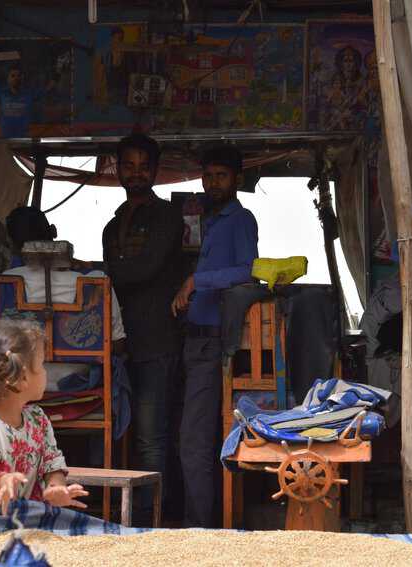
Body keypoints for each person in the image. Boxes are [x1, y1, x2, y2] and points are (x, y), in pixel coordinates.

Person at [172, 144, 258, 528]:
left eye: (221, 175)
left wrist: (197, 280)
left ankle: (199, 531)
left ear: (236, 179)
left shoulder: (240, 219)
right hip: (193, 339)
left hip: (213, 343)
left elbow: (248, 270)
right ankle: (197, 521)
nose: (213, 183)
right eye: (208, 176)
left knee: (194, 440)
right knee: (192, 437)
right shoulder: (206, 218)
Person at [102, 134, 184, 522]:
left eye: (142, 166)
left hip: (156, 341)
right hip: (121, 345)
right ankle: (129, 517)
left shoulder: (167, 217)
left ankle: (158, 523)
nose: (135, 173)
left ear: (154, 171)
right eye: (128, 166)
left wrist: (102, 275)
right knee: (123, 434)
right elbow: (119, 281)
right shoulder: (111, 225)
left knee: (152, 437)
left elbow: (146, 268)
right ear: (117, 168)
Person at [0, 319, 89, 514]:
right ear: (21, 378)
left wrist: (55, 488)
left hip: (24, 521)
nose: (45, 372)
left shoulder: (38, 420)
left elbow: (52, 466)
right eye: (41, 365)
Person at [3, 206, 126, 345]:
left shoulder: (5, 281)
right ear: (53, 232)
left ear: (12, 242)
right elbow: (117, 341)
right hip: (80, 364)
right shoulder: (96, 280)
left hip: (22, 363)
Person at [0, 62, 58, 138]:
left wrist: (59, 70)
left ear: (22, 77)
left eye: (19, 75)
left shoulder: (29, 93)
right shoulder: (3, 92)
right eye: (13, 76)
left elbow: (48, 88)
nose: (16, 78)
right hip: (5, 138)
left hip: (24, 138)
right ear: (8, 79)